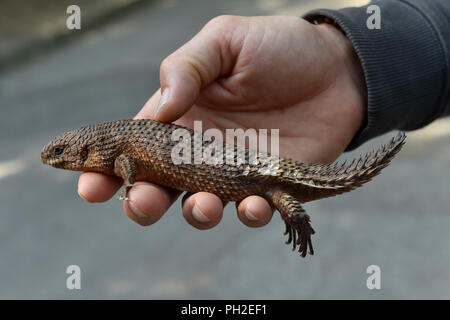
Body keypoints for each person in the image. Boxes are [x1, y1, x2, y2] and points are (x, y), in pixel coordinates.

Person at [77, 0, 449, 230]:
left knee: (273, 192)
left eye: (64, 153)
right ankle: (297, 217)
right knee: (271, 191)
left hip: (251, 172)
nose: (58, 159)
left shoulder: (121, 154)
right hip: (249, 169)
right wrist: (344, 57)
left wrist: (128, 182)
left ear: (85, 151)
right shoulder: (117, 149)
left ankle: (298, 220)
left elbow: (126, 166)